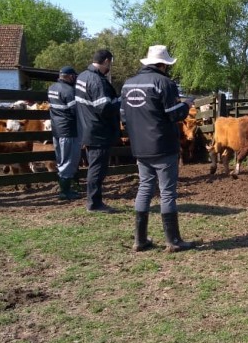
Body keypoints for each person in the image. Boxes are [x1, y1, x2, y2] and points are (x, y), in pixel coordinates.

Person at [121, 45, 195, 252]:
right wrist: (187, 105)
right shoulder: (164, 83)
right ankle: (173, 240)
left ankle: (140, 239)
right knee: (167, 192)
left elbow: (124, 118)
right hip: (163, 146)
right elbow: (174, 115)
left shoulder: (128, 84)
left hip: (140, 147)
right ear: (163, 64)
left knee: (144, 188)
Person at [75, 49, 121, 213]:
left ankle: (94, 201)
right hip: (98, 131)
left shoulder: (82, 77)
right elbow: (104, 108)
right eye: (111, 63)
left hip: (87, 128)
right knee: (97, 168)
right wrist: (120, 101)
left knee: (94, 166)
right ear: (107, 61)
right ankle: (94, 203)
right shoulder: (97, 81)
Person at [47, 65, 81, 199]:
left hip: (57, 129)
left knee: (61, 159)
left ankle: (64, 188)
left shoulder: (52, 88)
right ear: (69, 76)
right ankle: (65, 191)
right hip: (68, 130)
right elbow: (75, 112)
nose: (75, 79)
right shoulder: (69, 91)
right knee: (69, 160)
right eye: (74, 76)